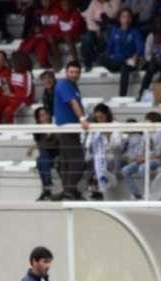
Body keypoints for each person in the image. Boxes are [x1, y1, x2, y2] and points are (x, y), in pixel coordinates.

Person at [52, 60, 89, 200]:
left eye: (76, 72)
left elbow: (77, 104)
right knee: (78, 162)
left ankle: (68, 192)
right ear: (66, 72)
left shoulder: (74, 86)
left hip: (72, 130)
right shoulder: (63, 84)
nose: (74, 75)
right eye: (71, 72)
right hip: (66, 129)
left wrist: (82, 119)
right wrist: (82, 119)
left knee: (68, 163)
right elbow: (73, 103)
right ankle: (69, 192)